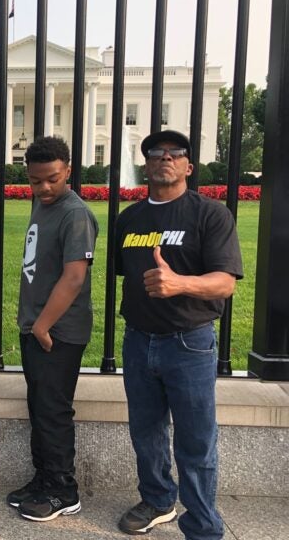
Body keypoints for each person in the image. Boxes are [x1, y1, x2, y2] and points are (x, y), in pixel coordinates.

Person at [115, 130, 243, 539]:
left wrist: (180, 284)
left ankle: (203, 525)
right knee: (146, 432)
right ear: (146, 165)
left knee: (195, 441)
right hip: (138, 340)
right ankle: (157, 499)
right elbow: (128, 275)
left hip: (189, 342)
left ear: (188, 166)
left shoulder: (210, 214)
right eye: (155, 153)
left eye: (175, 153)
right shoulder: (129, 219)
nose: (164, 158)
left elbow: (225, 283)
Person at [6, 136, 99, 523]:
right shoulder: (43, 202)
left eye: (53, 179)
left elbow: (75, 277)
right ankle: (44, 477)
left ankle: (63, 489)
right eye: (35, 180)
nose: (44, 187)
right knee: (40, 407)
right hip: (37, 327)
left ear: (68, 171)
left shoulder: (75, 214)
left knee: (53, 410)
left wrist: (43, 325)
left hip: (58, 331)